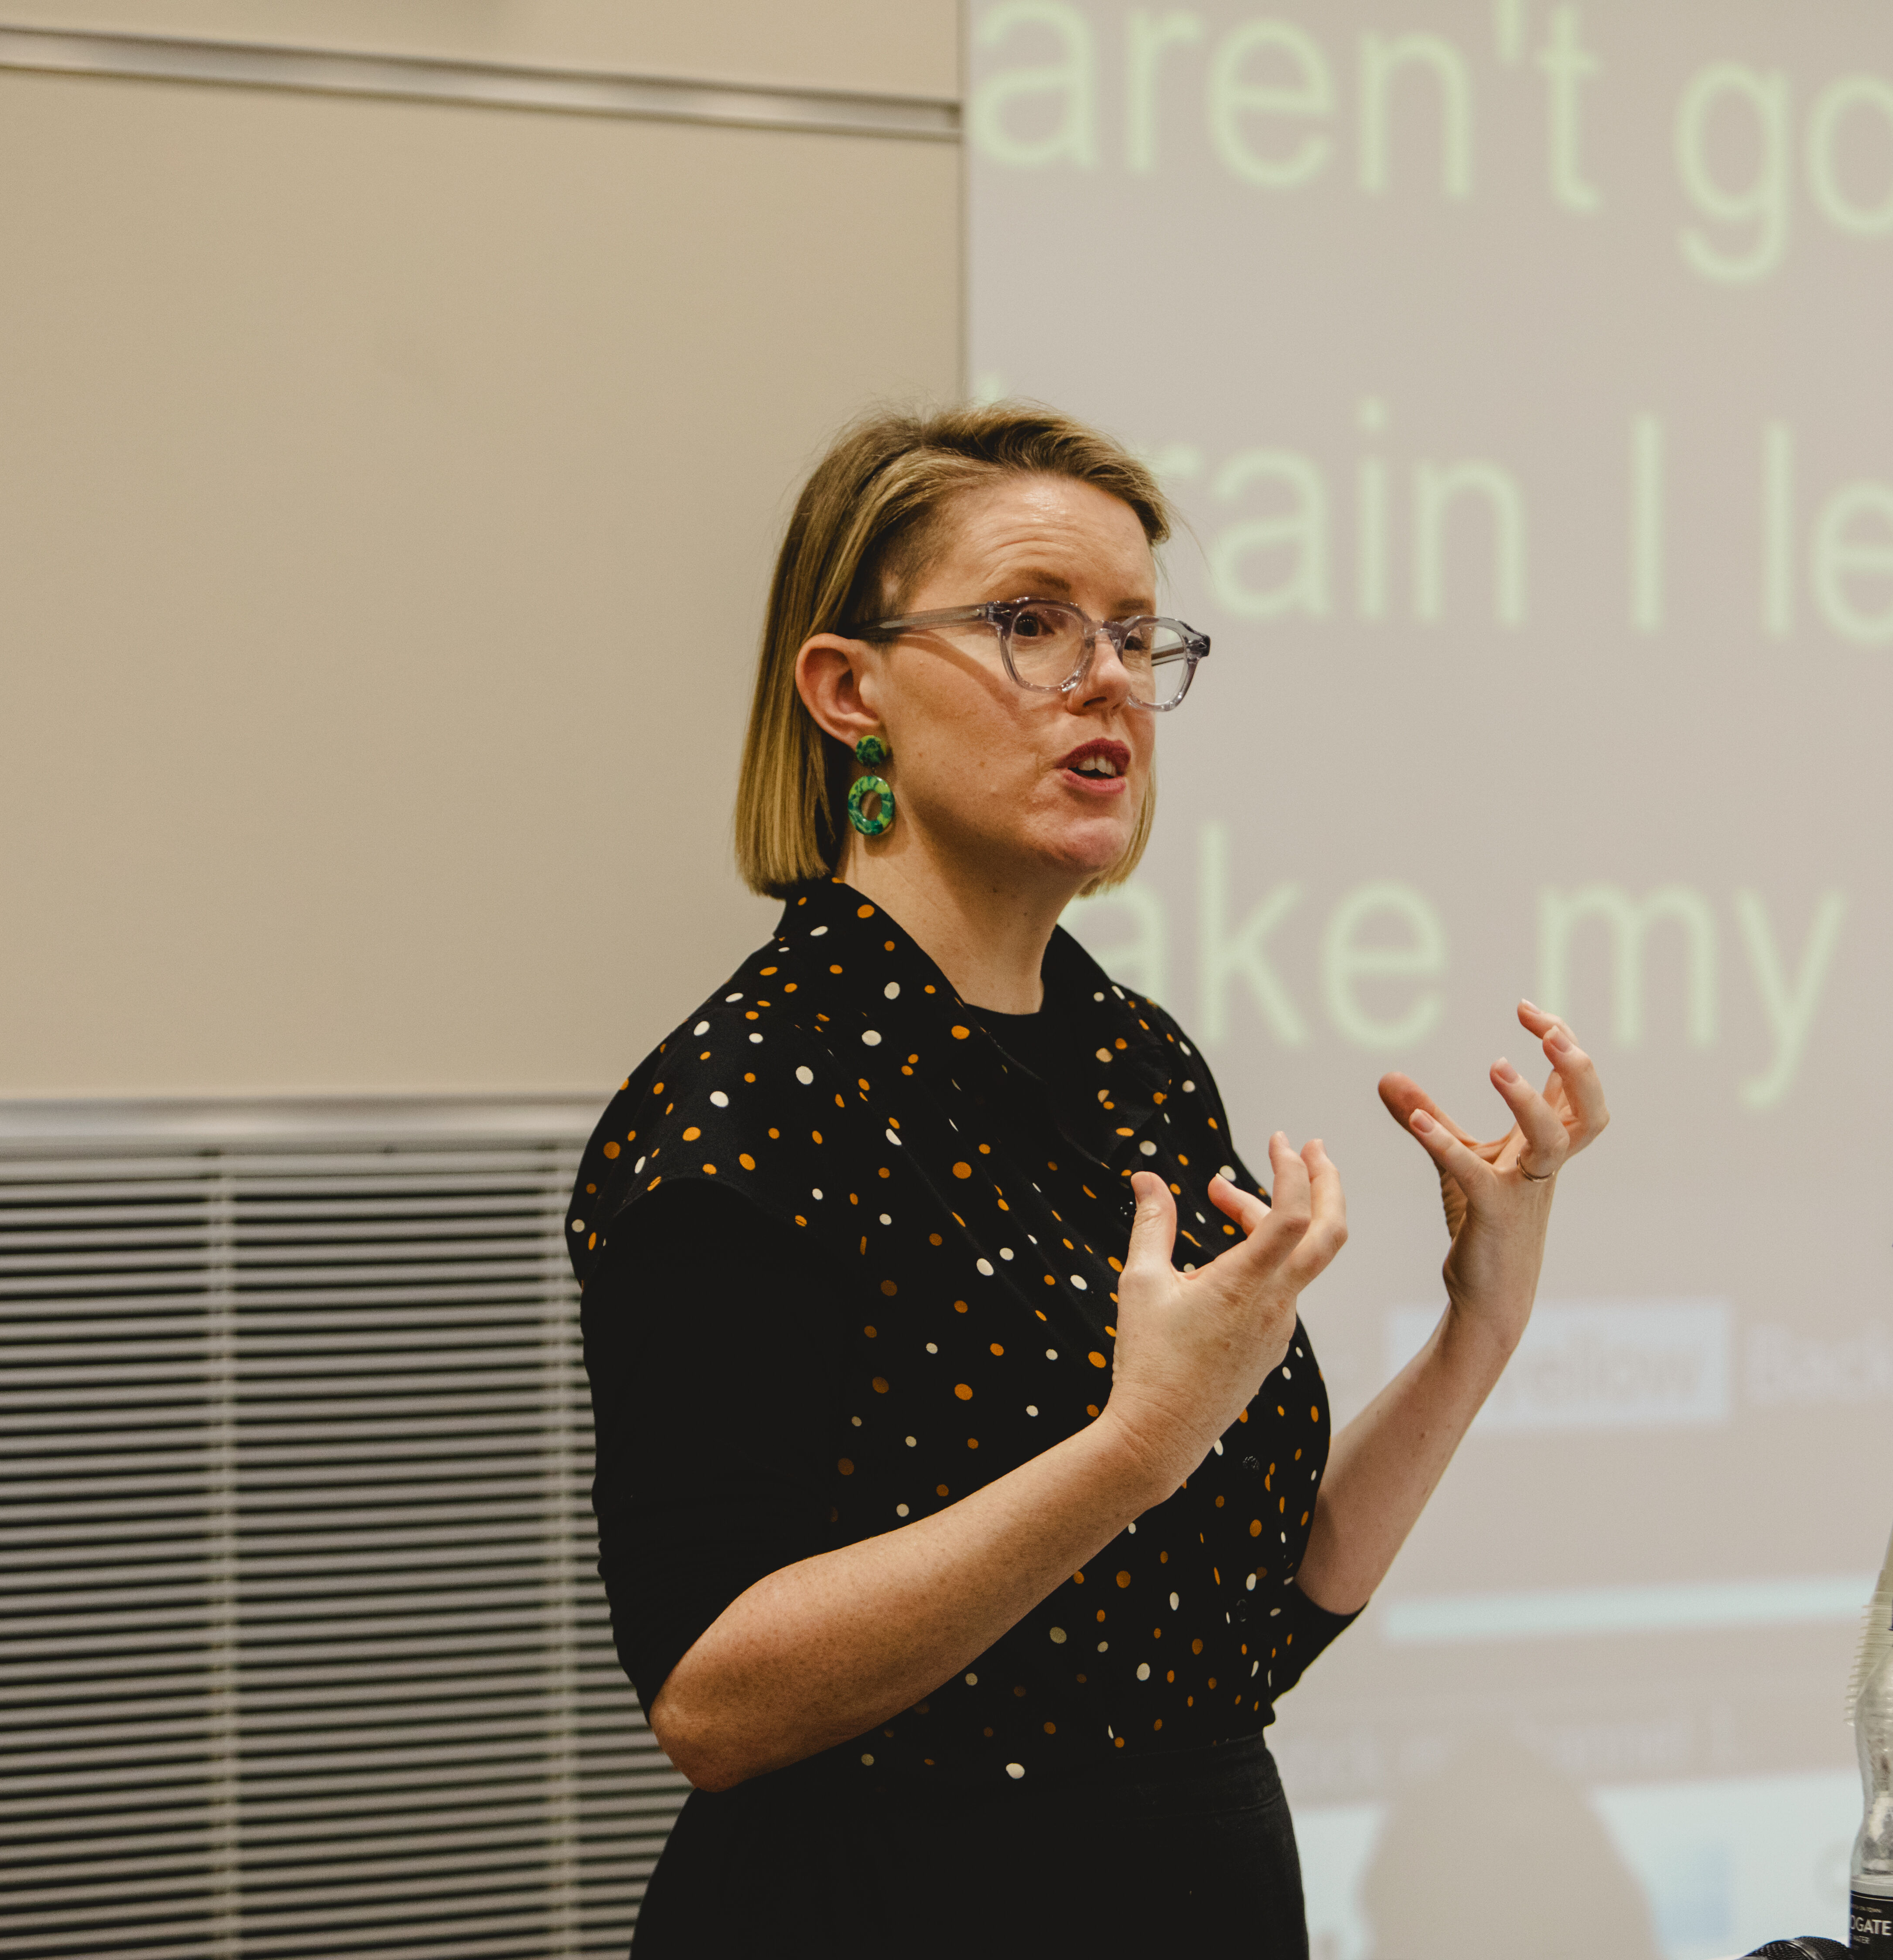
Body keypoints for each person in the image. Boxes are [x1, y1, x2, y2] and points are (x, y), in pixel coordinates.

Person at [568, 402, 1607, 1958]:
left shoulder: (1135, 1062)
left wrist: (1483, 1320)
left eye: (1135, 634)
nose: (1108, 677)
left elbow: (1244, 1622)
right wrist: (1135, 1448)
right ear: (851, 693)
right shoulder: (744, 1102)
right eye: (1032, 626)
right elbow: (713, 1701)